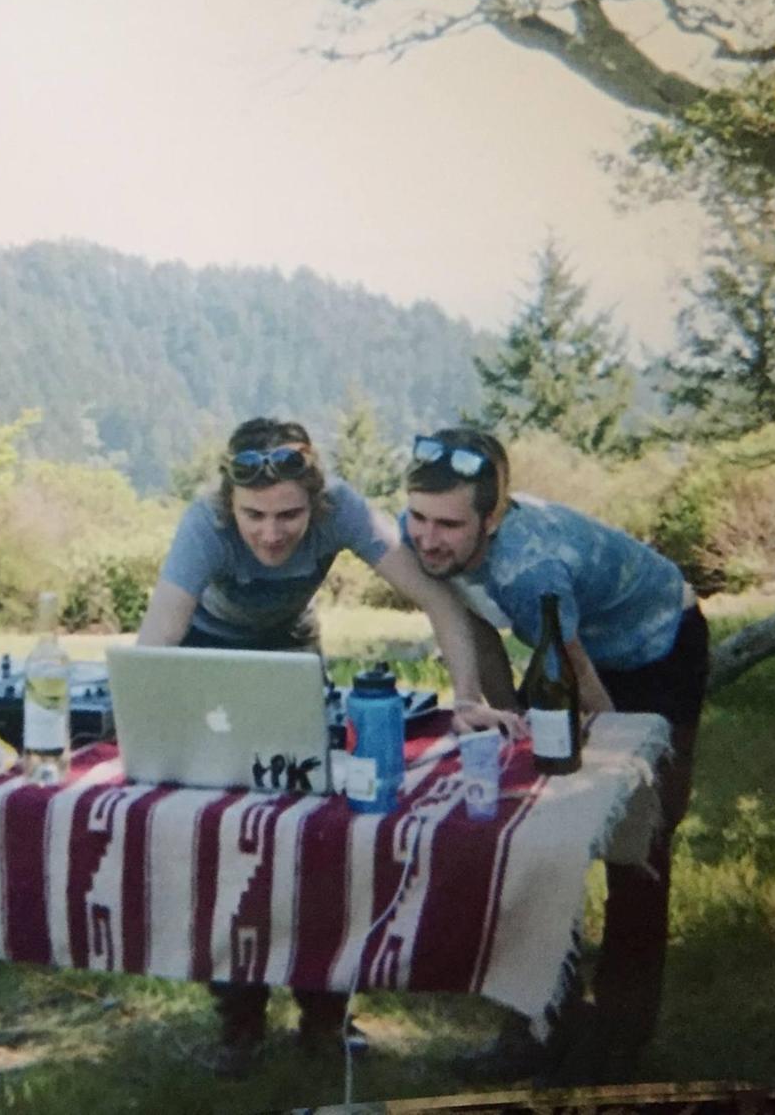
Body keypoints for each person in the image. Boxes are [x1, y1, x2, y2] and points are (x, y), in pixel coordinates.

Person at [134, 416, 509, 1074]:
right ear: (229, 503)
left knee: (318, 835)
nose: (270, 533)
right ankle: (239, 1021)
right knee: (223, 838)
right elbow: (157, 643)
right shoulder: (204, 524)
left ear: (317, 501)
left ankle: (326, 1018)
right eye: (253, 515)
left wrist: (467, 697)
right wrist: (151, 729)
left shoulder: (343, 510)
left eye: (289, 515)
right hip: (210, 654)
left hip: (291, 651)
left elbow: (439, 600)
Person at [399, 426, 710, 1080]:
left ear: (492, 518)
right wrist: (510, 725)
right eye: (419, 517)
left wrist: (623, 772)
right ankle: (541, 1025)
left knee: (639, 842)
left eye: (448, 525)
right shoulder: (431, 538)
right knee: (533, 833)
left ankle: (619, 1041)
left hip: (655, 646)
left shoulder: (530, 568)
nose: (427, 538)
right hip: (567, 648)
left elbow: (580, 676)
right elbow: (475, 629)